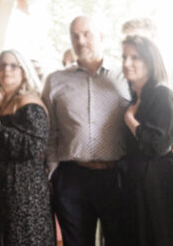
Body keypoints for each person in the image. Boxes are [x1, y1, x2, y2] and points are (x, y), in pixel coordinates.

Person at [42, 16, 133, 246]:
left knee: (121, 241)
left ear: (101, 36)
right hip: (72, 178)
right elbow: (50, 131)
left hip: (117, 176)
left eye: (87, 34)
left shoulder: (125, 77)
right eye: (75, 35)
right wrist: (53, 174)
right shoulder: (55, 81)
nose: (80, 40)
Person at [120, 35, 173, 245]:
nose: (127, 63)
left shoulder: (162, 95)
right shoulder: (138, 99)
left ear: (150, 61)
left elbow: (156, 145)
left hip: (164, 191)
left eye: (135, 57)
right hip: (142, 189)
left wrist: (130, 120)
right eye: (124, 57)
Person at [0, 50, 55, 246]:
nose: (6, 70)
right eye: (2, 65)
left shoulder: (29, 102)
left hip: (25, 190)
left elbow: (35, 146)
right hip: (4, 189)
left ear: (23, 71)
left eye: (12, 65)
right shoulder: (3, 103)